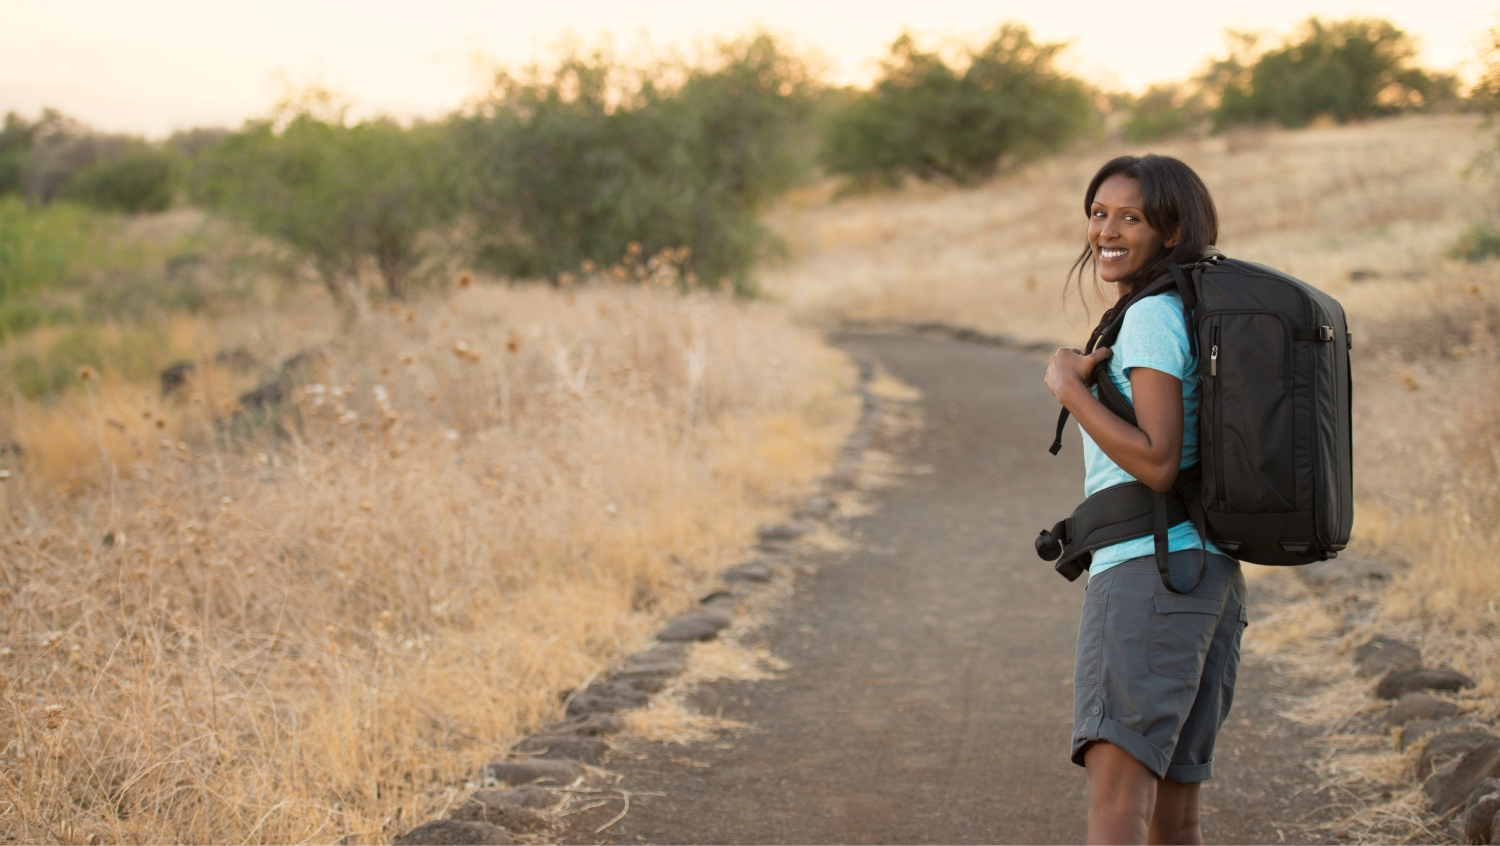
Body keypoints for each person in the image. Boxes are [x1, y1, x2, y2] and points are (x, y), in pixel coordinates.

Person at [1042, 155, 1248, 845]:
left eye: (1131, 217)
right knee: (1173, 818)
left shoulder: (1153, 317)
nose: (1107, 230)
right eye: (1099, 213)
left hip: (1150, 575)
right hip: (1203, 575)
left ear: (1173, 229)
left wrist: (1070, 390)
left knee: (1116, 813)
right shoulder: (1184, 308)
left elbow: (1159, 461)